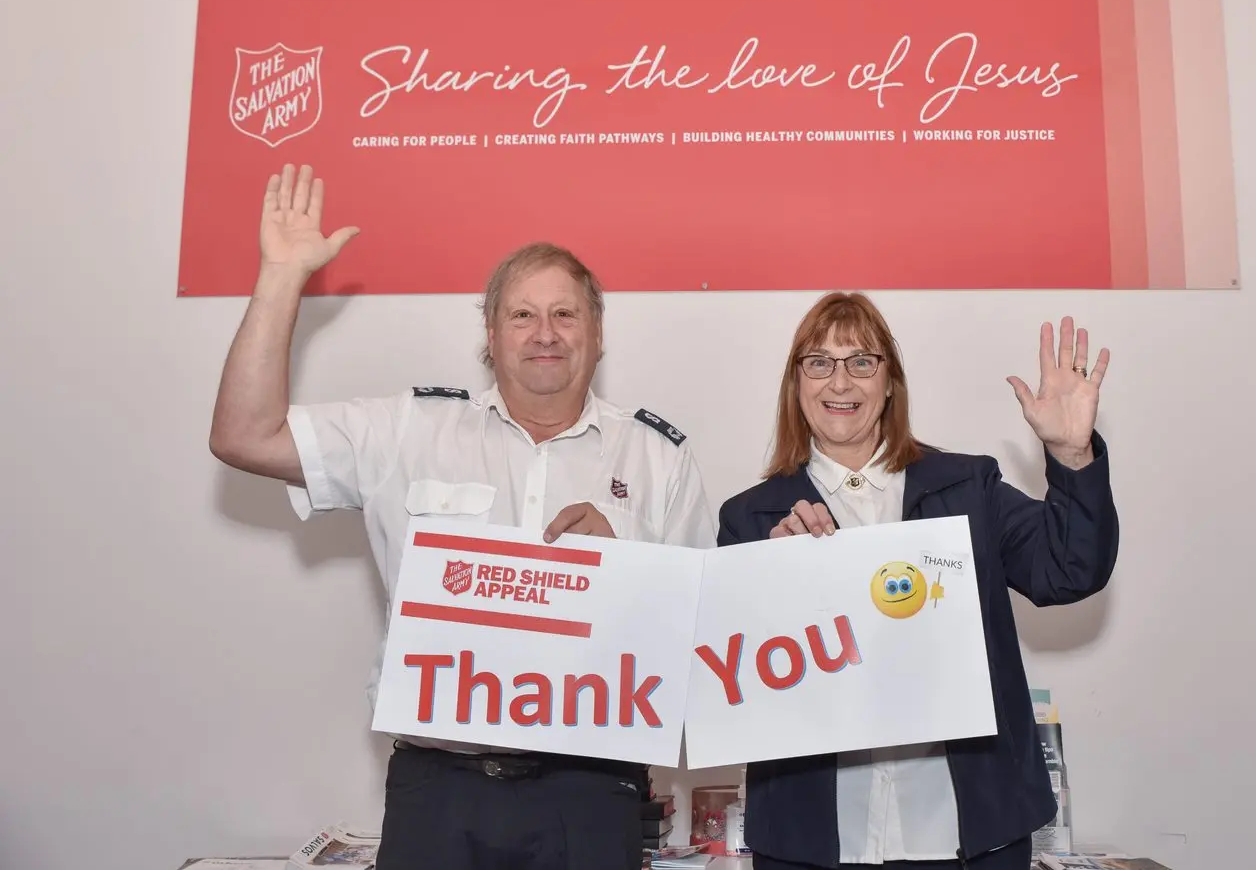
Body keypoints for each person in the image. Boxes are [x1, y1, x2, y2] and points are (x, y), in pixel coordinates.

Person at [209, 163, 717, 870]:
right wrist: (282, 277)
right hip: (438, 792)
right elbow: (243, 434)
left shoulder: (662, 460)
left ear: (597, 333)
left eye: (566, 313)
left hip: (593, 794)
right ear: (490, 332)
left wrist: (628, 570)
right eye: (522, 314)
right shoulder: (409, 432)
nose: (546, 332)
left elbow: (702, 636)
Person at [716, 292, 1120, 870]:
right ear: (796, 384)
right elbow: (731, 685)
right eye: (819, 362)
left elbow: (1069, 570)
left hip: (970, 833)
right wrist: (771, 585)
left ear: (889, 383)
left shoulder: (967, 489)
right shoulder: (751, 518)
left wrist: (1071, 454)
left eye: (862, 361)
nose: (841, 381)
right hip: (811, 841)